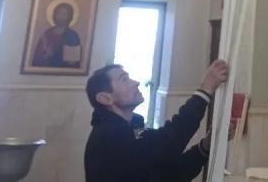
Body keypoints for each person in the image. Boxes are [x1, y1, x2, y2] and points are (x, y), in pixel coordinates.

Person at [84, 59, 228, 182]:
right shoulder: (109, 136)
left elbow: (166, 172)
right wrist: (205, 90)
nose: (136, 83)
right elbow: (168, 143)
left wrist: (204, 147)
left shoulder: (133, 126)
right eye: (124, 79)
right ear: (105, 98)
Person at [32, 2, 81, 68]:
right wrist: (46, 55)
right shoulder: (47, 34)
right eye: (59, 13)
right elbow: (37, 59)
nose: (61, 16)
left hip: (64, 71)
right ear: (54, 15)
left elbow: (73, 62)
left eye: (64, 14)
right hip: (46, 70)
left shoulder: (72, 36)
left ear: (69, 17)